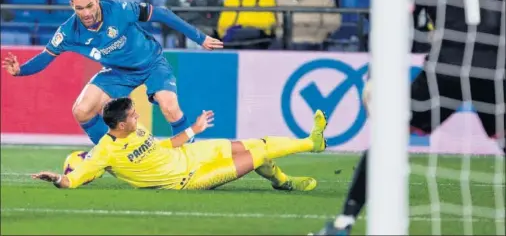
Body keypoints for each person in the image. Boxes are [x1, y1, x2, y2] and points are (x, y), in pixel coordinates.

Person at [313, 0, 505, 234]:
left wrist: (379, 75)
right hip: (492, 72)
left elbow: (410, 37)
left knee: (388, 140)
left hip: (444, 72)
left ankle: (344, 221)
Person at [2, 0, 223, 145]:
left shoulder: (119, 10)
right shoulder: (69, 32)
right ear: (72, 6)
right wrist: (21, 70)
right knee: (82, 110)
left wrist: (200, 38)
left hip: (152, 63)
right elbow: (45, 57)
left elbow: (162, 13)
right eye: (79, 8)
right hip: (118, 72)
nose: (86, 13)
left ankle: (191, 155)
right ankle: (113, 154)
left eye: (89, 6)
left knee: (169, 106)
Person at [31, 97, 328, 191]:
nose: (138, 117)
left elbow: (163, 146)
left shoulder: (136, 129)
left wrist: (193, 130)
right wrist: (56, 178)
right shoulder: (104, 152)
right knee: (260, 154)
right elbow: (73, 180)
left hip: (191, 153)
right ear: (121, 125)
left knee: (256, 143)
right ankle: (305, 151)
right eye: (133, 116)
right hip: (189, 178)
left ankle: (294, 168)